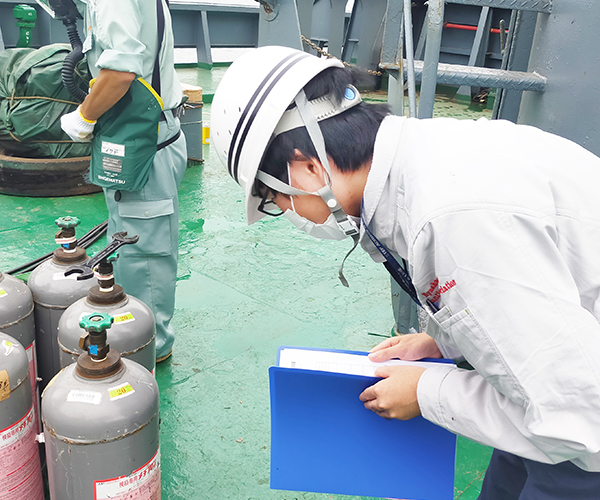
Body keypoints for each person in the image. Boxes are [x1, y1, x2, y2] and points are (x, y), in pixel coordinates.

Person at [211, 45, 600, 499]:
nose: (286, 211)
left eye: (276, 200)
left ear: (308, 168)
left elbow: (579, 422)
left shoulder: (454, 217)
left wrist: (428, 393)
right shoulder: (429, 159)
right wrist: (444, 341)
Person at [60, 0, 187, 362]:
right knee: (129, 241)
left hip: (144, 140)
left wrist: (84, 116)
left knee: (144, 251)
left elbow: (119, 72)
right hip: (142, 132)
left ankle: (149, 347)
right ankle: (141, 331)